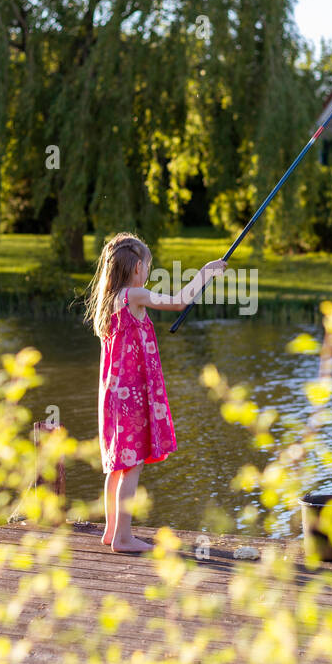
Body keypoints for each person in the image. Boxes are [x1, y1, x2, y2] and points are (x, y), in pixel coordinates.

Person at [83, 232, 226, 553]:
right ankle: (123, 537)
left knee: (118, 464)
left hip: (113, 395)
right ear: (136, 268)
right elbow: (177, 302)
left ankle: (111, 531)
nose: (148, 272)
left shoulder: (109, 300)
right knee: (131, 464)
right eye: (147, 266)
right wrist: (206, 273)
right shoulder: (133, 295)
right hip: (131, 396)